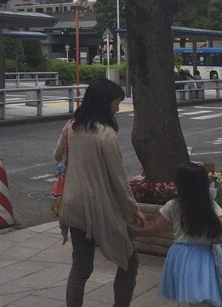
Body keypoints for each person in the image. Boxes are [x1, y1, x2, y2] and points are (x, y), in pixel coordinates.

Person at [55, 77, 145, 307]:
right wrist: (132, 209)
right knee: (128, 260)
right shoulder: (106, 135)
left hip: (73, 205)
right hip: (99, 207)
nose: (117, 107)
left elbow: (57, 155)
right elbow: (118, 179)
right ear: (105, 102)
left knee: (81, 267)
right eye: (116, 102)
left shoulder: (72, 127)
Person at [130, 162, 222, 307]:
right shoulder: (210, 206)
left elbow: (155, 230)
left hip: (183, 256)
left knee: (194, 297)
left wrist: (133, 231)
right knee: (205, 295)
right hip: (205, 256)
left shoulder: (173, 205)